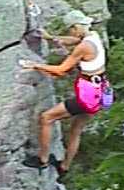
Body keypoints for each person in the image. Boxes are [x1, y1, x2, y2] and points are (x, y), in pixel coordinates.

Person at [21, 10, 106, 177]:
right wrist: (50, 37)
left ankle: (42, 160)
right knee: (76, 129)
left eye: (70, 29)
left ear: (76, 27)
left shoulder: (84, 46)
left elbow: (61, 70)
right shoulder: (93, 36)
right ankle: (64, 167)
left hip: (88, 96)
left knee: (47, 118)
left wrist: (34, 65)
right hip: (101, 92)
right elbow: (73, 40)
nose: (70, 33)